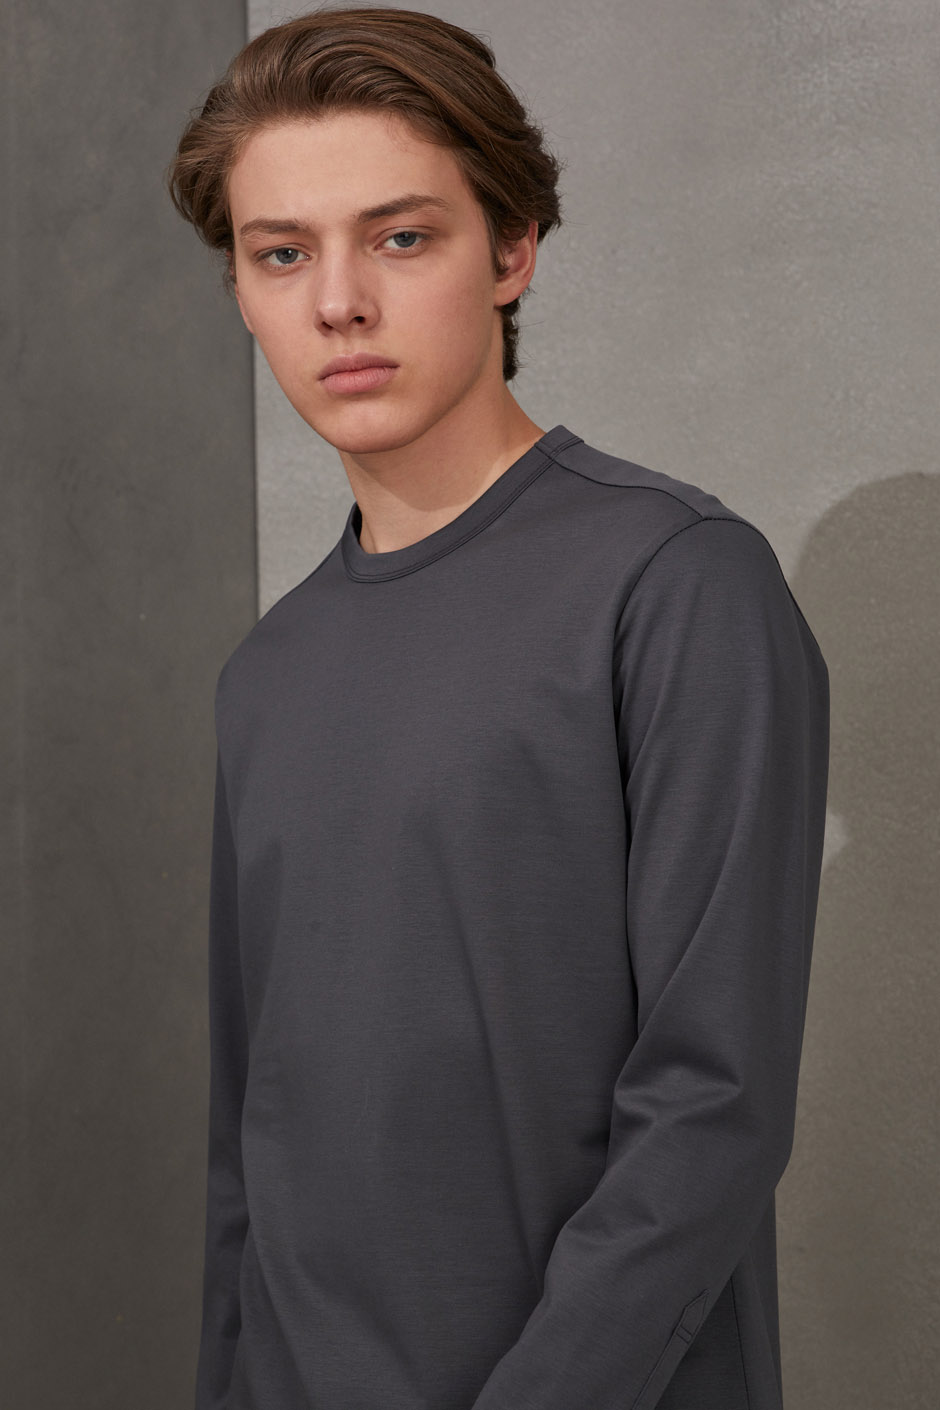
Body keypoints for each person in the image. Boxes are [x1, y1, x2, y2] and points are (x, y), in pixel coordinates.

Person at [168, 8, 830, 1409]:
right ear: (242, 287)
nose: (338, 302)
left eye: (401, 237)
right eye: (282, 254)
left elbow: (711, 1105)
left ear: (512, 249)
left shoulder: (675, 583)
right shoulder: (265, 674)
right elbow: (249, 1149)